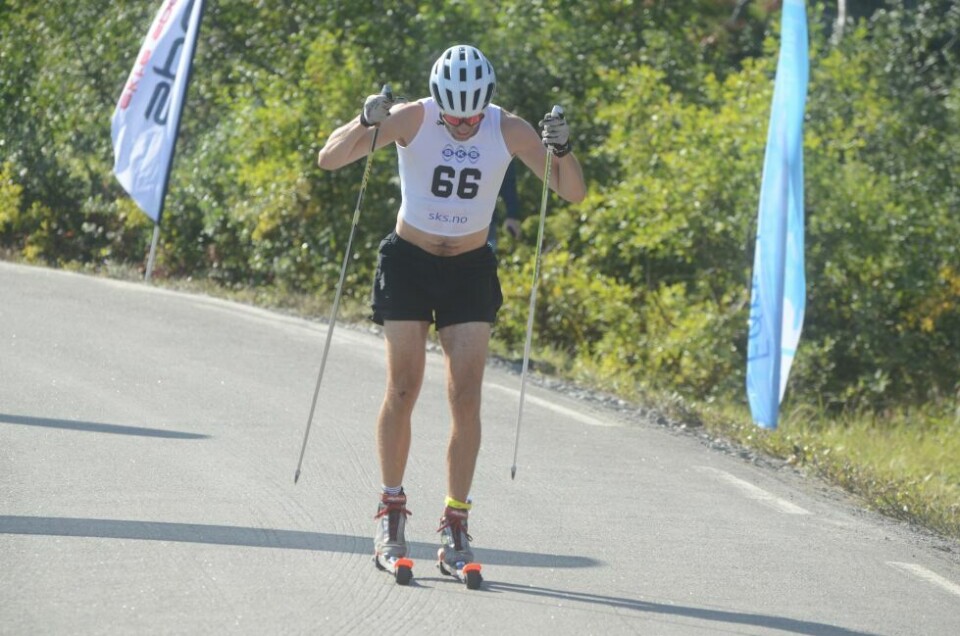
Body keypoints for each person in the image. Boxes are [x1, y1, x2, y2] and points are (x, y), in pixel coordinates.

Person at [316, 44, 586, 578]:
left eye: (471, 117)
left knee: (466, 395)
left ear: (486, 103)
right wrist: (364, 120)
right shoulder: (412, 117)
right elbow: (330, 158)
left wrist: (563, 149)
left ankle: (456, 521)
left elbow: (571, 192)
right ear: (438, 100)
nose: (463, 127)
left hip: (469, 268)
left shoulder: (509, 129)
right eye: (453, 117)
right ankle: (392, 511)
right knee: (402, 388)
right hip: (409, 262)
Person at [487, 160, 521, 250]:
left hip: (485, 225)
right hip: (451, 225)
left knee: (486, 254)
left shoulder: (496, 151)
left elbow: (508, 182)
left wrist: (511, 215)